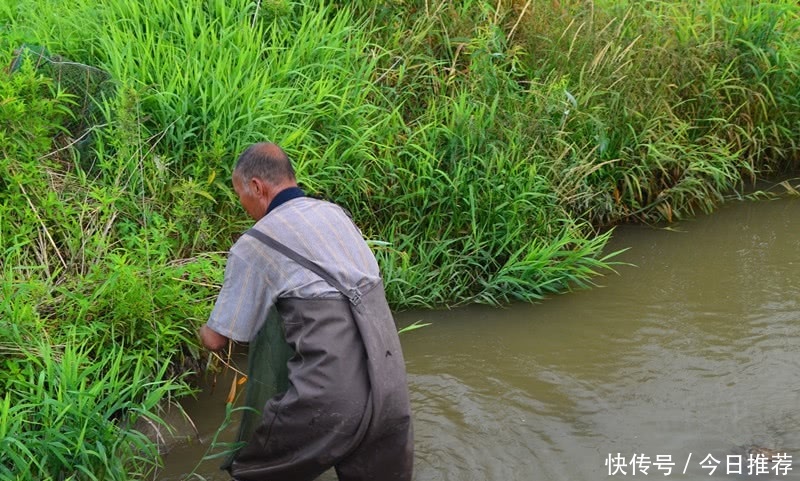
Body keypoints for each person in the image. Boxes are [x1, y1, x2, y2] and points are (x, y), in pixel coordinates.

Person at [199, 142, 414, 481]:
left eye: (239, 193)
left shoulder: (255, 244)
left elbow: (215, 340)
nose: (241, 203)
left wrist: (193, 327)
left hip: (329, 397)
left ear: (256, 187)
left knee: (254, 472)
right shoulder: (335, 214)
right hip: (390, 385)